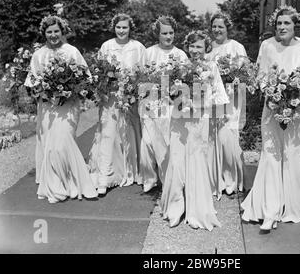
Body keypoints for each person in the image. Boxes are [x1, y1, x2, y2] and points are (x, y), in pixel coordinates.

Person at [241, 6, 300, 231]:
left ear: (295, 25)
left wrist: (298, 98)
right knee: (271, 155)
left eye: (286, 23)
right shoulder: (267, 46)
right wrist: (270, 92)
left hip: (296, 113)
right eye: (279, 23)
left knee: (293, 154)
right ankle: (269, 211)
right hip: (271, 109)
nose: (281, 27)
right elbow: (260, 76)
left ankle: (293, 206)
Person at [24, 15, 98, 203]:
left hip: (69, 106)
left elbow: (86, 78)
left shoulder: (72, 51)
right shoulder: (39, 55)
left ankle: (73, 182)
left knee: (62, 143)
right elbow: (31, 83)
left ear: (62, 31)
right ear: (44, 34)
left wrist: (72, 90)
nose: (53, 35)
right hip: (49, 106)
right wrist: (44, 91)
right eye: (49, 32)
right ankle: (56, 186)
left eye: (56, 31)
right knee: (50, 145)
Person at [160, 30, 228, 230]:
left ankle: (196, 208)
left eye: (199, 46)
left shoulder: (211, 67)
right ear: (187, 47)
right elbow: (166, 92)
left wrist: (200, 101)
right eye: (192, 46)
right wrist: (177, 98)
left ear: (206, 48)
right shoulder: (179, 66)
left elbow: (220, 96)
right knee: (177, 161)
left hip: (199, 119)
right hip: (179, 120)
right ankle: (175, 207)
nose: (195, 50)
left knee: (196, 159)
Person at [88, 13, 145, 195]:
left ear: (130, 29)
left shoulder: (137, 47)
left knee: (128, 132)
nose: (121, 31)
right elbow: (98, 71)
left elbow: (143, 72)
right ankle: (105, 177)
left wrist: (133, 87)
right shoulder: (107, 46)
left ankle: (131, 171)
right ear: (114, 28)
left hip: (129, 97)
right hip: (110, 97)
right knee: (108, 133)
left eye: (125, 27)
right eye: (118, 27)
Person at [140, 15, 188, 192]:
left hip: (170, 106)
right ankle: (149, 177)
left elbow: (186, 80)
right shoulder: (149, 52)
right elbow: (141, 77)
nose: (168, 37)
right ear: (157, 34)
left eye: (171, 33)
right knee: (147, 142)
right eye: (164, 33)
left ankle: (168, 178)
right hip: (151, 104)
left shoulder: (180, 54)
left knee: (167, 143)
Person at [208, 12, 248, 198]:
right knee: (215, 138)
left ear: (227, 28)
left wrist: (231, 78)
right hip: (212, 100)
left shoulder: (236, 47)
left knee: (229, 138)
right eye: (214, 26)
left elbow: (245, 73)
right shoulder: (208, 48)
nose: (217, 30)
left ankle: (232, 179)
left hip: (231, 100)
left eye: (220, 26)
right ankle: (218, 179)